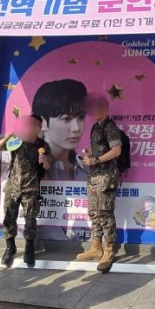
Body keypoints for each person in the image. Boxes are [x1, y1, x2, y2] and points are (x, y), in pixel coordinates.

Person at [0, 114, 52, 268]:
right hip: (13, 187)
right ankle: (10, 247)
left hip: (31, 188)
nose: (31, 127)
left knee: (30, 220)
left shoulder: (43, 145)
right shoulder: (17, 141)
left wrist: (45, 161)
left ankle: (29, 249)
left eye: (35, 125)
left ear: (39, 128)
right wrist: (8, 136)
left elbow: (47, 167)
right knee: (9, 218)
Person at [76, 94, 123, 273]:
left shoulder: (110, 126)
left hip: (106, 176)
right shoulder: (96, 126)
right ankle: (96, 247)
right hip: (94, 175)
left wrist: (96, 160)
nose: (93, 110)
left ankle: (109, 250)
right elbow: (102, 150)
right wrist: (90, 155)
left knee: (104, 213)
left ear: (105, 107)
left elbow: (116, 150)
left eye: (97, 107)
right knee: (94, 212)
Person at [31, 79, 89, 181]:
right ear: (42, 122)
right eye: (66, 119)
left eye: (81, 117)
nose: (76, 128)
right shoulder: (31, 164)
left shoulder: (86, 166)